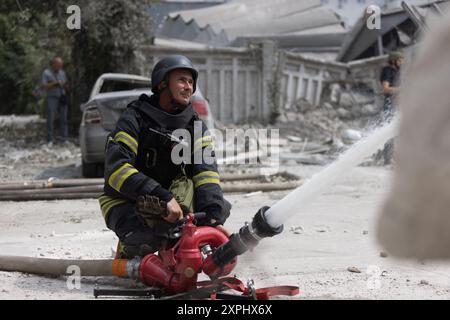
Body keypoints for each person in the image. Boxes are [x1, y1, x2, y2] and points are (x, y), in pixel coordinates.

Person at [99, 55, 231, 259]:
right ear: (162, 84)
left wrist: (213, 220)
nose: (188, 87)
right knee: (144, 243)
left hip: (174, 207)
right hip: (126, 201)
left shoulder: (194, 126)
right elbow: (116, 170)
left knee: (211, 211)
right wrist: (163, 196)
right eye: (181, 80)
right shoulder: (135, 118)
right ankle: (130, 253)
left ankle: (175, 246)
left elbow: (206, 174)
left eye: (190, 82)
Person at [379, 51, 403, 164]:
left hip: (397, 103)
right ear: (393, 61)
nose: (401, 62)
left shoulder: (397, 71)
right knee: (389, 131)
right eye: (399, 60)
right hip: (390, 103)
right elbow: (386, 89)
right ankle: (388, 159)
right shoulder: (387, 71)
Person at [41, 57, 69, 147]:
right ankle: (50, 139)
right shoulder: (46, 73)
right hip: (52, 98)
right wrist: (55, 83)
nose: (60, 67)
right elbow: (44, 86)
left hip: (62, 97)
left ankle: (64, 139)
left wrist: (65, 86)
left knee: (63, 119)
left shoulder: (62, 72)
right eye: (58, 65)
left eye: (61, 65)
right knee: (50, 118)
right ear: (53, 64)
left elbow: (65, 83)